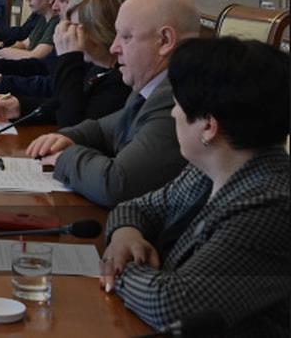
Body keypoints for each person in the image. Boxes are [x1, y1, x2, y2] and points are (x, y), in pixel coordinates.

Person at [100, 37, 289, 335]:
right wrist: (125, 234)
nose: (173, 113)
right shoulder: (210, 169)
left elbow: (171, 304)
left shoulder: (272, 207)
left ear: (208, 127)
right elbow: (137, 208)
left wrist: (118, 266)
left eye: (177, 104)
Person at [25, 0, 201, 206]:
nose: (114, 47)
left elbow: (116, 184)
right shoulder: (149, 87)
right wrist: (66, 138)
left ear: (165, 40)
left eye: (126, 37)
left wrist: (64, 156)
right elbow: (102, 129)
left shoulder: (178, 97)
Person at [0, 0, 135, 127]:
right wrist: (21, 107)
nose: (68, 32)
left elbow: (72, 122)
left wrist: (69, 57)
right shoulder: (98, 67)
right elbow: (66, 101)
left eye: (74, 26)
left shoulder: (122, 79)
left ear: (100, 31)